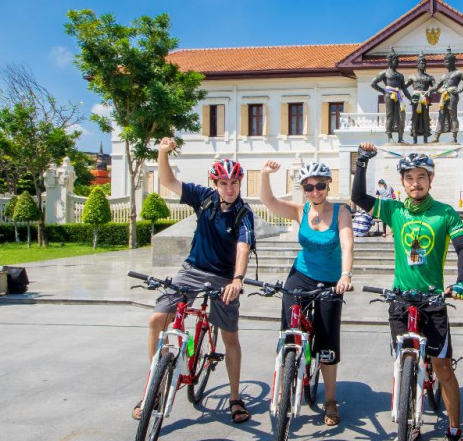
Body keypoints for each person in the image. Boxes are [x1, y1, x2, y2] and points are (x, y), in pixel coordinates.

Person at [352, 142, 463, 441]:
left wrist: (461, 281)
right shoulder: (394, 210)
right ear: (402, 182)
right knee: (405, 363)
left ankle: (455, 432)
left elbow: (462, 247)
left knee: (442, 368)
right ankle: (410, 422)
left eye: (421, 177)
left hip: (432, 300)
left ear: (431, 179)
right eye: (409, 177)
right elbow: (359, 198)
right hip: (401, 300)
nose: (415, 183)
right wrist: (362, 162)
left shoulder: (444, 212)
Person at [133, 137, 255, 424]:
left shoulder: (244, 213)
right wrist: (163, 153)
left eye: (234, 183)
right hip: (192, 270)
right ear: (215, 183)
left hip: (225, 277)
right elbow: (168, 181)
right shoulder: (204, 198)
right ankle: (154, 388)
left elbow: (243, 247)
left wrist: (237, 279)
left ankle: (235, 397)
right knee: (157, 320)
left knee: (230, 336)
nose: (229, 188)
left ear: (240, 183)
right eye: (223, 183)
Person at [260, 160, 353, 426]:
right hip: (300, 274)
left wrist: (345, 275)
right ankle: (283, 387)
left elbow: (347, 245)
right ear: (303, 189)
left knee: (327, 342)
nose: (315, 191)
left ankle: (330, 400)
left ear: (328, 185)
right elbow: (268, 201)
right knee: (288, 331)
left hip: (331, 280)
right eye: (309, 187)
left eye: (320, 185)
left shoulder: (341, 212)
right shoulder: (300, 211)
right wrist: (265, 174)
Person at [370, 49, 411, 143]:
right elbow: (373, 83)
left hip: (398, 95)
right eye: (395, 60)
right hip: (389, 95)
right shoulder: (384, 73)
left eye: (398, 60)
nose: (397, 62)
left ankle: (400, 137)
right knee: (390, 115)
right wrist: (383, 91)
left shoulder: (400, 76)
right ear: (390, 61)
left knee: (401, 115)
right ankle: (389, 136)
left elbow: (404, 89)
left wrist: (410, 98)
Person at [431, 49, 463, 143]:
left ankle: (454, 137)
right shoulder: (443, 76)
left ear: (452, 62)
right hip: (444, 96)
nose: (445, 63)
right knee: (441, 114)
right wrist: (430, 90)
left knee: (453, 115)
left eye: (447, 61)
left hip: (452, 95)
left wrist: (460, 89)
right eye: (444, 61)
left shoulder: (458, 73)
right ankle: (436, 136)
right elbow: (437, 86)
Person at [405, 52, 438, 144]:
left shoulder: (429, 77)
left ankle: (425, 139)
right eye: (421, 63)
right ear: (417, 64)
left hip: (425, 98)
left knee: (425, 118)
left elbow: (436, 87)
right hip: (415, 98)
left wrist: (430, 91)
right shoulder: (412, 77)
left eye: (424, 63)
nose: (423, 65)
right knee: (415, 118)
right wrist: (409, 96)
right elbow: (404, 86)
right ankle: (414, 139)